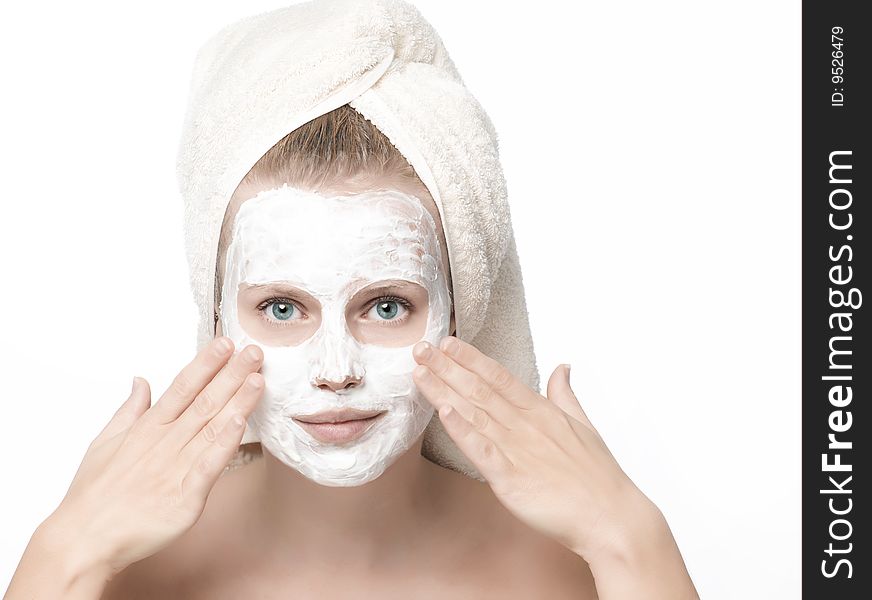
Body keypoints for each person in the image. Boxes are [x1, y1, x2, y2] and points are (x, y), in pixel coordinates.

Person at [3, 2, 699, 599]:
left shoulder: (582, 574)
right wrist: (65, 555)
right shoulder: (118, 575)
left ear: (462, 309)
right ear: (216, 314)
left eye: (387, 306)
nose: (337, 370)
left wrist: (631, 539)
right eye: (281, 308)